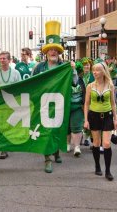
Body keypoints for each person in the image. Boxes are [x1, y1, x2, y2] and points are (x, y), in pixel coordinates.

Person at [32, 20, 78, 173]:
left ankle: (57, 151)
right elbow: (31, 84)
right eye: (50, 49)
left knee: (58, 129)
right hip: (43, 104)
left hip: (60, 103)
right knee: (46, 131)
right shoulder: (39, 67)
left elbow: (75, 82)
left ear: (59, 52)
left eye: (55, 50)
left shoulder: (65, 66)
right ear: (46, 52)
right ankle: (47, 159)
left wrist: (74, 70)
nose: (52, 52)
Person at [84, 62, 117, 180]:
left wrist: (115, 119)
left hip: (107, 115)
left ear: (103, 72)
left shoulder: (110, 85)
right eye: (94, 70)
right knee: (96, 143)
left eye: (97, 70)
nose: (95, 72)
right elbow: (86, 104)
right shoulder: (90, 86)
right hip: (94, 116)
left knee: (107, 143)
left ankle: (108, 170)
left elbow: (113, 104)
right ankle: (97, 166)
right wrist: (86, 120)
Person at [0, 51, 22, 159]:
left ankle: (10, 143)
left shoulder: (16, 73)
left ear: (9, 60)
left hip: (12, 103)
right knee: (2, 126)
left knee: (11, 125)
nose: (2, 60)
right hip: (0, 103)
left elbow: (20, 88)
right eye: (1, 58)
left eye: (4, 58)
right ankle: (3, 148)